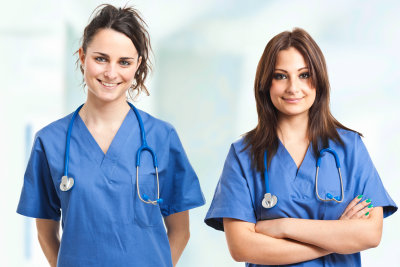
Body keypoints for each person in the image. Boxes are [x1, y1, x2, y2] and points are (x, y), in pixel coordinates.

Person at [17, 4, 204, 267]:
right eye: (101, 58)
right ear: (82, 56)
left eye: (124, 62)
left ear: (137, 65)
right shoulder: (50, 142)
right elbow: (45, 233)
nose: (111, 73)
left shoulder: (162, 137)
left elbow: (181, 230)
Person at [204, 28, 397, 266]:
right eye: (281, 76)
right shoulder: (244, 154)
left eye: (304, 75)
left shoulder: (350, 148)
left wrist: (282, 226)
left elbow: (370, 234)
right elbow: (242, 247)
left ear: (319, 80)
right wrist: (337, 236)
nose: (293, 88)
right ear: (266, 84)